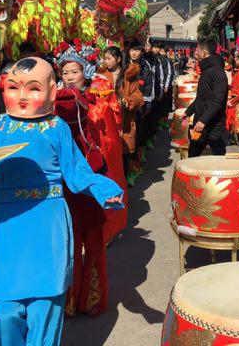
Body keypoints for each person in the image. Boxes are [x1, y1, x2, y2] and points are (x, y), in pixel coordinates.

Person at [0, 57, 123, 346]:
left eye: (33, 88)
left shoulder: (56, 127)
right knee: (4, 314)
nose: (22, 96)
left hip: (48, 223)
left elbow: (77, 173)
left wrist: (105, 191)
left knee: (44, 309)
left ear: (52, 91)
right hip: (8, 226)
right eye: (14, 87)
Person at [54, 42, 124, 317]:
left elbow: (108, 137)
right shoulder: (54, 101)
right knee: (69, 243)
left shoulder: (98, 101)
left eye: (75, 71)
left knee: (93, 242)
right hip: (65, 180)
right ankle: (70, 300)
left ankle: (93, 298)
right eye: (65, 72)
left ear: (85, 72)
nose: (70, 77)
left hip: (91, 175)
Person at [98, 46, 144, 189]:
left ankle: (122, 186)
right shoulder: (101, 75)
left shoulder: (129, 75)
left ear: (118, 59)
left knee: (123, 159)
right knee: (107, 157)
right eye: (105, 58)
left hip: (124, 121)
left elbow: (138, 96)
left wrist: (128, 102)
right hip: (106, 121)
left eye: (109, 58)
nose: (106, 61)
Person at [185, 39, 229, 157]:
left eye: (198, 50)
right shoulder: (206, 70)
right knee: (192, 156)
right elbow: (201, 98)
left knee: (218, 158)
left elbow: (217, 101)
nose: (196, 52)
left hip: (214, 124)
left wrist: (203, 120)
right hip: (201, 122)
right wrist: (188, 112)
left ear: (204, 53)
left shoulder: (218, 73)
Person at [127, 40, 154, 185]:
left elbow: (149, 92)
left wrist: (144, 107)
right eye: (132, 50)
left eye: (137, 50)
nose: (134, 53)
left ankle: (134, 170)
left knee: (137, 140)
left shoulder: (146, 69)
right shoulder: (123, 67)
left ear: (141, 52)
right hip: (124, 110)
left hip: (139, 111)